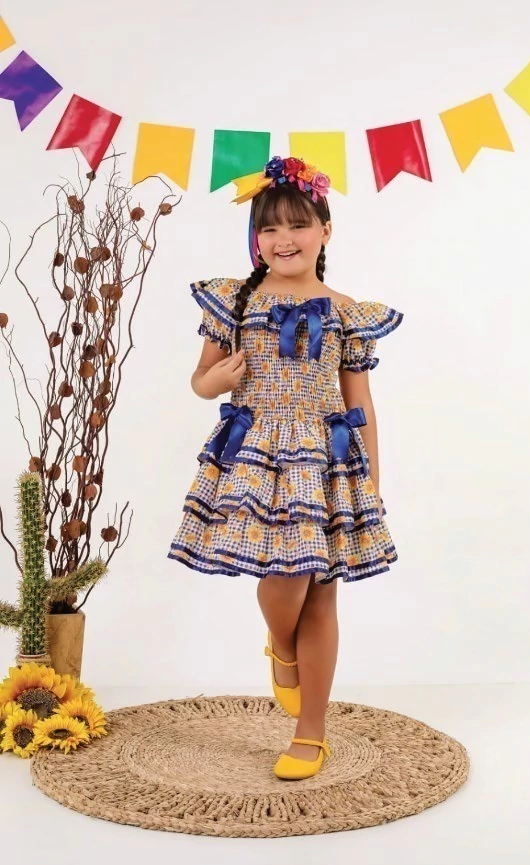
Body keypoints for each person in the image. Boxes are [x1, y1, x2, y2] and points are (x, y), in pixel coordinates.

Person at [168, 155, 404, 780]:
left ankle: (311, 733)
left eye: (298, 225)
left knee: (320, 591)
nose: (283, 239)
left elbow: (360, 403)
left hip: (327, 461)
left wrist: (371, 484)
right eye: (269, 228)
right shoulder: (235, 300)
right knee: (285, 579)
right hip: (257, 455)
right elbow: (200, 379)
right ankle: (282, 644)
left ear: (325, 230)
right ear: (256, 238)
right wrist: (214, 381)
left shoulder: (348, 311)